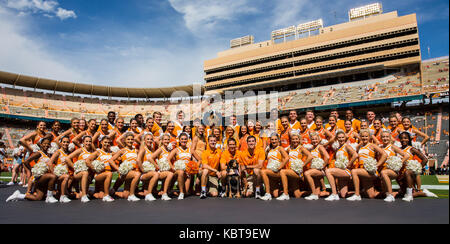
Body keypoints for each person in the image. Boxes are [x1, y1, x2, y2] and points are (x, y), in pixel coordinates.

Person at [6, 137, 58, 203]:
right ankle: (49, 197)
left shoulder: (48, 154)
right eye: (44, 143)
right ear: (41, 144)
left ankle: (18, 195)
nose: (46, 145)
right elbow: (26, 161)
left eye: (48, 144)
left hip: (45, 179)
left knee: (38, 198)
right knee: (53, 176)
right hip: (39, 177)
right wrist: (32, 170)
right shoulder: (38, 153)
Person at [347, 129, 387, 201]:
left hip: (370, 171)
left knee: (354, 171)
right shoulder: (359, 146)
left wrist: (377, 165)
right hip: (363, 171)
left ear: (369, 137)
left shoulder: (372, 145)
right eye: (362, 136)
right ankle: (386, 193)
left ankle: (357, 194)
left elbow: (384, 154)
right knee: (371, 195)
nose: (364, 138)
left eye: (366, 136)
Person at [399, 131, 437, 201]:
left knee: (407, 173)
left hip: (409, 173)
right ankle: (425, 193)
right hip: (400, 175)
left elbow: (425, 159)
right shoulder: (398, 149)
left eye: (405, 138)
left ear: (409, 139)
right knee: (402, 194)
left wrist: (417, 169)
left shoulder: (411, 149)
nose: (403, 140)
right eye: (401, 138)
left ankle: (410, 195)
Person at [277, 132, 313, 200]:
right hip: (291, 171)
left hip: (297, 172)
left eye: (296, 139)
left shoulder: (301, 148)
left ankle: (285, 194)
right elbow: (282, 155)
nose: (295, 141)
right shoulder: (289, 148)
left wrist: (302, 165)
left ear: (299, 140)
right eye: (293, 139)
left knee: (282, 172)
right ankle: (311, 192)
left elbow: (310, 156)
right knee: (297, 195)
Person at [324, 131, 358, 201]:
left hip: (346, 171)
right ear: (337, 139)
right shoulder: (338, 148)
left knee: (328, 171)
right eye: (339, 137)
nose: (341, 139)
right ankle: (359, 193)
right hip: (340, 171)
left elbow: (355, 155)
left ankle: (334, 194)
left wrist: (349, 164)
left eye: (342, 137)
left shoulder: (347, 146)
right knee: (343, 194)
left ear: (345, 138)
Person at [108, 132, 142, 202]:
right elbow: (111, 160)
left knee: (126, 195)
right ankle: (132, 195)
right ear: (125, 140)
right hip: (126, 174)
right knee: (137, 174)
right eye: (128, 139)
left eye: (132, 139)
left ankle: (112, 192)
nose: (130, 141)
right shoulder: (122, 151)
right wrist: (118, 169)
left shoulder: (136, 151)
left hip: (133, 173)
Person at [167, 132, 201, 200]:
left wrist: (194, 168)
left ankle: (174, 192)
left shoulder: (190, 150)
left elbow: (199, 160)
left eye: (185, 139)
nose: (183, 140)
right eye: (182, 139)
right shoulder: (176, 150)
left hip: (188, 173)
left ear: (187, 140)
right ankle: (181, 193)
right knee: (181, 172)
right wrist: (172, 168)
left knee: (186, 193)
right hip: (178, 171)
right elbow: (168, 159)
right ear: (179, 140)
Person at [378, 131, 409, 202]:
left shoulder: (392, 147)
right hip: (382, 171)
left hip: (392, 171)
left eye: (387, 137)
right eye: (383, 137)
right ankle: (396, 193)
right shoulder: (380, 147)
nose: (385, 138)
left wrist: (398, 163)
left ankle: (390, 195)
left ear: (390, 138)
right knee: (383, 193)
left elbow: (406, 156)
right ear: (381, 138)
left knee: (384, 173)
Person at [65, 135, 96, 203]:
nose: (88, 143)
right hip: (79, 173)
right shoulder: (80, 150)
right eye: (86, 141)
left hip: (89, 175)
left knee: (80, 195)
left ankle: (72, 194)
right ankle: (84, 196)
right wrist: (75, 167)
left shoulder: (93, 152)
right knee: (85, 173)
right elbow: (67, 158)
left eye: (90, 141)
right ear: (83, 142)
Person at [260, 133, 289, 201]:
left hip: (277, 172)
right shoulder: (270, 149)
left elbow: (287, 158)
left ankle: (267, 194)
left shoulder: (280, 148)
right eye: (272, 139)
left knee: (263, 172)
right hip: (271, 172)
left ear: (278, 140)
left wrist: (280, 167)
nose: (274, 141)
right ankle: (283, 190)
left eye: (275, 139)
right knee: (275, 194)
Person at [85, 136, 115, 202]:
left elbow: (119, 159)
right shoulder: (98, 152)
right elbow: (87, 161)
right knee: (109, 174)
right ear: (101, 142)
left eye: (108, 143)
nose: (107, 144)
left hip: (107, 176)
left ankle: (91, 193)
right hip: (99, 176)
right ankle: (106, 195)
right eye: (105, 142)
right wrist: (94, 169)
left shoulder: (111, 153)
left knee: (100, 195)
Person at [303, 132, 330, 200]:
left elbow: (327, 157)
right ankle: (327, 192)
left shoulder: (320, 147)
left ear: (319, 140)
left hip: (320, 170)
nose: (314, 141)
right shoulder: (312, 148)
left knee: (307, 173)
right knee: (319, 194)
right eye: (313, 139)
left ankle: (313, 193)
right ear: (311, 140)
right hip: (315, 170)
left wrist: (322, 167)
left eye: (316, 139)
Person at [150, 133, 175, 200]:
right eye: (165, 140)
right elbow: (150, 158)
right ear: (162, 140)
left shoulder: (169, 150)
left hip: (167, 170)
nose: (166, 141)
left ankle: (166, 190)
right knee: (170, 174)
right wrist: (157, 166)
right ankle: (164, 194)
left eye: (168, 140)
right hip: (161, 171)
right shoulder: (160, 149)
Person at [48, 136, 72, 203]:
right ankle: (62, 196)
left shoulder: (69, 153)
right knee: (66, 177)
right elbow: (50, 163)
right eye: (64, 142)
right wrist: (54, 174)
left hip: (66, 173)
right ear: (61, 143)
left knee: (70, 177)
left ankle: (61, 193)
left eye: (67, 142)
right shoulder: (58, 152)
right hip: (59, 174)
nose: (65, 143)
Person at [136, 133, 160, 201]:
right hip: (144, 174)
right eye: (148, 139)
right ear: (144, 141)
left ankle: (147, 192)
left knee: (144, 193)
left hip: (150, 172)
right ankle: (149, 194)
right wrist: (143, 170)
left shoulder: (152, 150)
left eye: (151, 139)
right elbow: (138, 160)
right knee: (156, 174)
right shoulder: (143, 149)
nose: (149, 140)